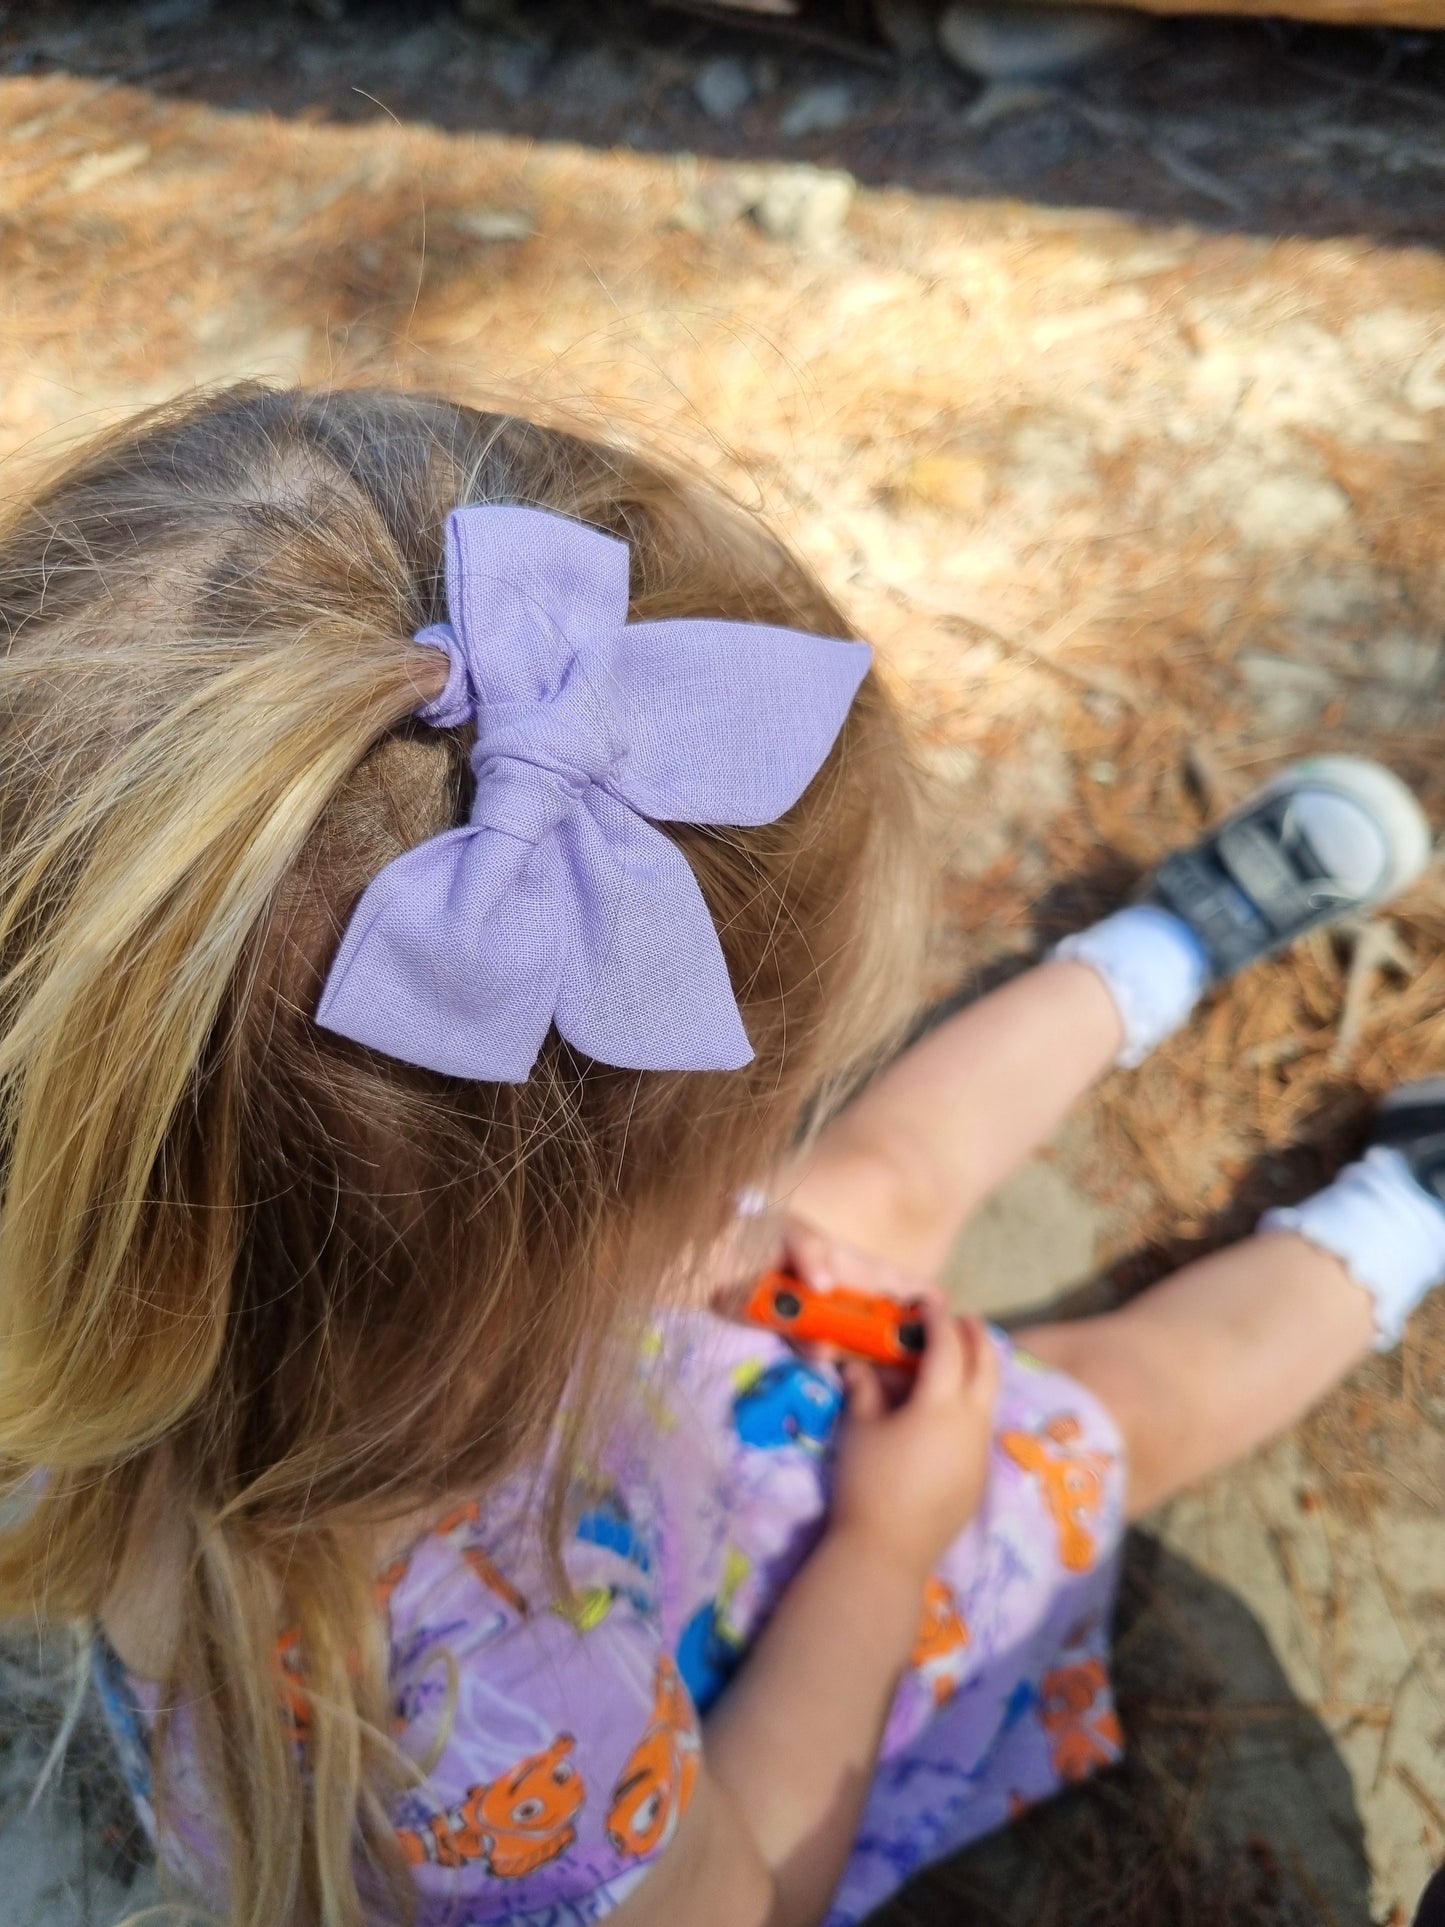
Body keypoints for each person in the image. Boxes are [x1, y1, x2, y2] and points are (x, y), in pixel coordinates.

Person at [0, 386, 1440, 1927]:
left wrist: (703, 1246)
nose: (762, 1171)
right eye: (756, 1131)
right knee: (1098, 1419)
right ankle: (1403, 1211)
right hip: (766, 1614)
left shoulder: (96, 1300)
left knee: (865, 1201)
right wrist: (892, 1540)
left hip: (545, 1404)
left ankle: (1169, 945)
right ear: (562, 1260)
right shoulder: (500, 1733)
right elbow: (749, 1881)